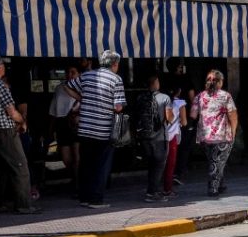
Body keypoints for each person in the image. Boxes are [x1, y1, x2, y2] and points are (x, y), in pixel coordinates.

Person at [67, 49, 126, 209]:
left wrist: (82, 98)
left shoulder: (86, 75)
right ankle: (96, 199)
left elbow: (67, 86)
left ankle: (84, 197)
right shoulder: (116, 79)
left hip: (85, 128)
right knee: (100, 165)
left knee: (85, 163)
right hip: (103, 129)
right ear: (114, 64)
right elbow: (118, 107)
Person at [0, 58, 38, 214]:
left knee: (1, 168)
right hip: (5, 130)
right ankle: (24, 205)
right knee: (20, 166)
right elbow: (12, 112)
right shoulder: (0, 85)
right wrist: (22, 121)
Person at [194, 70, 238, 197]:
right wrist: (233, 132)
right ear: (220, 82)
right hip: (222, 135)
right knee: (216, 162)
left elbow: (193, 114)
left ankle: (221, 184)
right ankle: (213, 188)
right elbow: (233, 115)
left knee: (215, 161)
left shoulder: (199, 96)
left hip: (205, 136)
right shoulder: (225, 96)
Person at [140, 76, 171, 202]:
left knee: (151, 165)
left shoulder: (141, 98)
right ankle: (152, 193)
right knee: (159, 165)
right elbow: (169, 118)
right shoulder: (165, 98)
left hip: (144, 137)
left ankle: (150, 190)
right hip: (160, 137)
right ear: (156, 83)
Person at [49, 66, 80, 189]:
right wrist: (50, 129)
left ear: (79, 74)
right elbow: (53, 110)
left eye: (73, 72)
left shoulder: (82, 87)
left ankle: (78, 185)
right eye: (68, 72)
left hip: (77, 123)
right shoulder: (60, 88)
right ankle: (74, 178)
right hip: (62, 122)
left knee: (78, 156)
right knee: (66, 158)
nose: (70, 75)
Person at [162, 85, 185, 198]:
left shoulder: (160, 99)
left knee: (159, 163)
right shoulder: (180, 103)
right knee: (170, 164)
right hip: (172, 136)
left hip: (160, 136)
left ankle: (154, 189)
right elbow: (185, 122)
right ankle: (167, 189)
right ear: (179, 91)